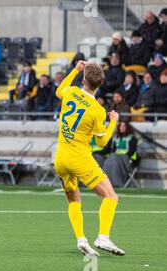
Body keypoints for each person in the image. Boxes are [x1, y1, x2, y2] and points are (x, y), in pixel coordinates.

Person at [54, 60, 125, 256]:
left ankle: (81, 238)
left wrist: (74, 70)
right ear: (100, 84)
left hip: (60, 158)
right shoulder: (97, 110)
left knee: (74, 201)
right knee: (111, 197)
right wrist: (113, 122)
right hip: (80, 158)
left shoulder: (70, 92)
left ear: (83, 79)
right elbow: (102, 143)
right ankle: (103, 236)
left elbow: (59, 89)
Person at [103, 121, 139, 188]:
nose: (122, 128)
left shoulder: (132, 138)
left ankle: (117, 183)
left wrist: (120, 156)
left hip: (127, 160)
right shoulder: (116, 138)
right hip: (115, 158)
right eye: (120, 126)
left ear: (127, 127)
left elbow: (131, 151)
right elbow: (113, 150)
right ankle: (106, 183)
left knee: (115, 161)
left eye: (124, 126)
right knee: (109, 161)